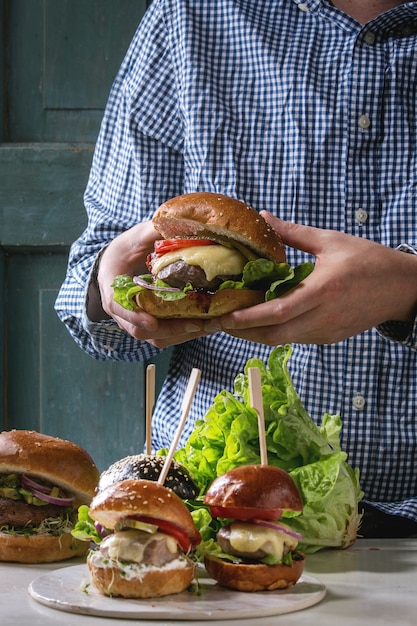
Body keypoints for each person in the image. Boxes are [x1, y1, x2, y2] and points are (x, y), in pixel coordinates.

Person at [55, 0, 417, 537]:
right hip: (218, 515)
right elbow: (95, 276)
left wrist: (407, 291)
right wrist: (114, 289)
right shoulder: (191, 14)